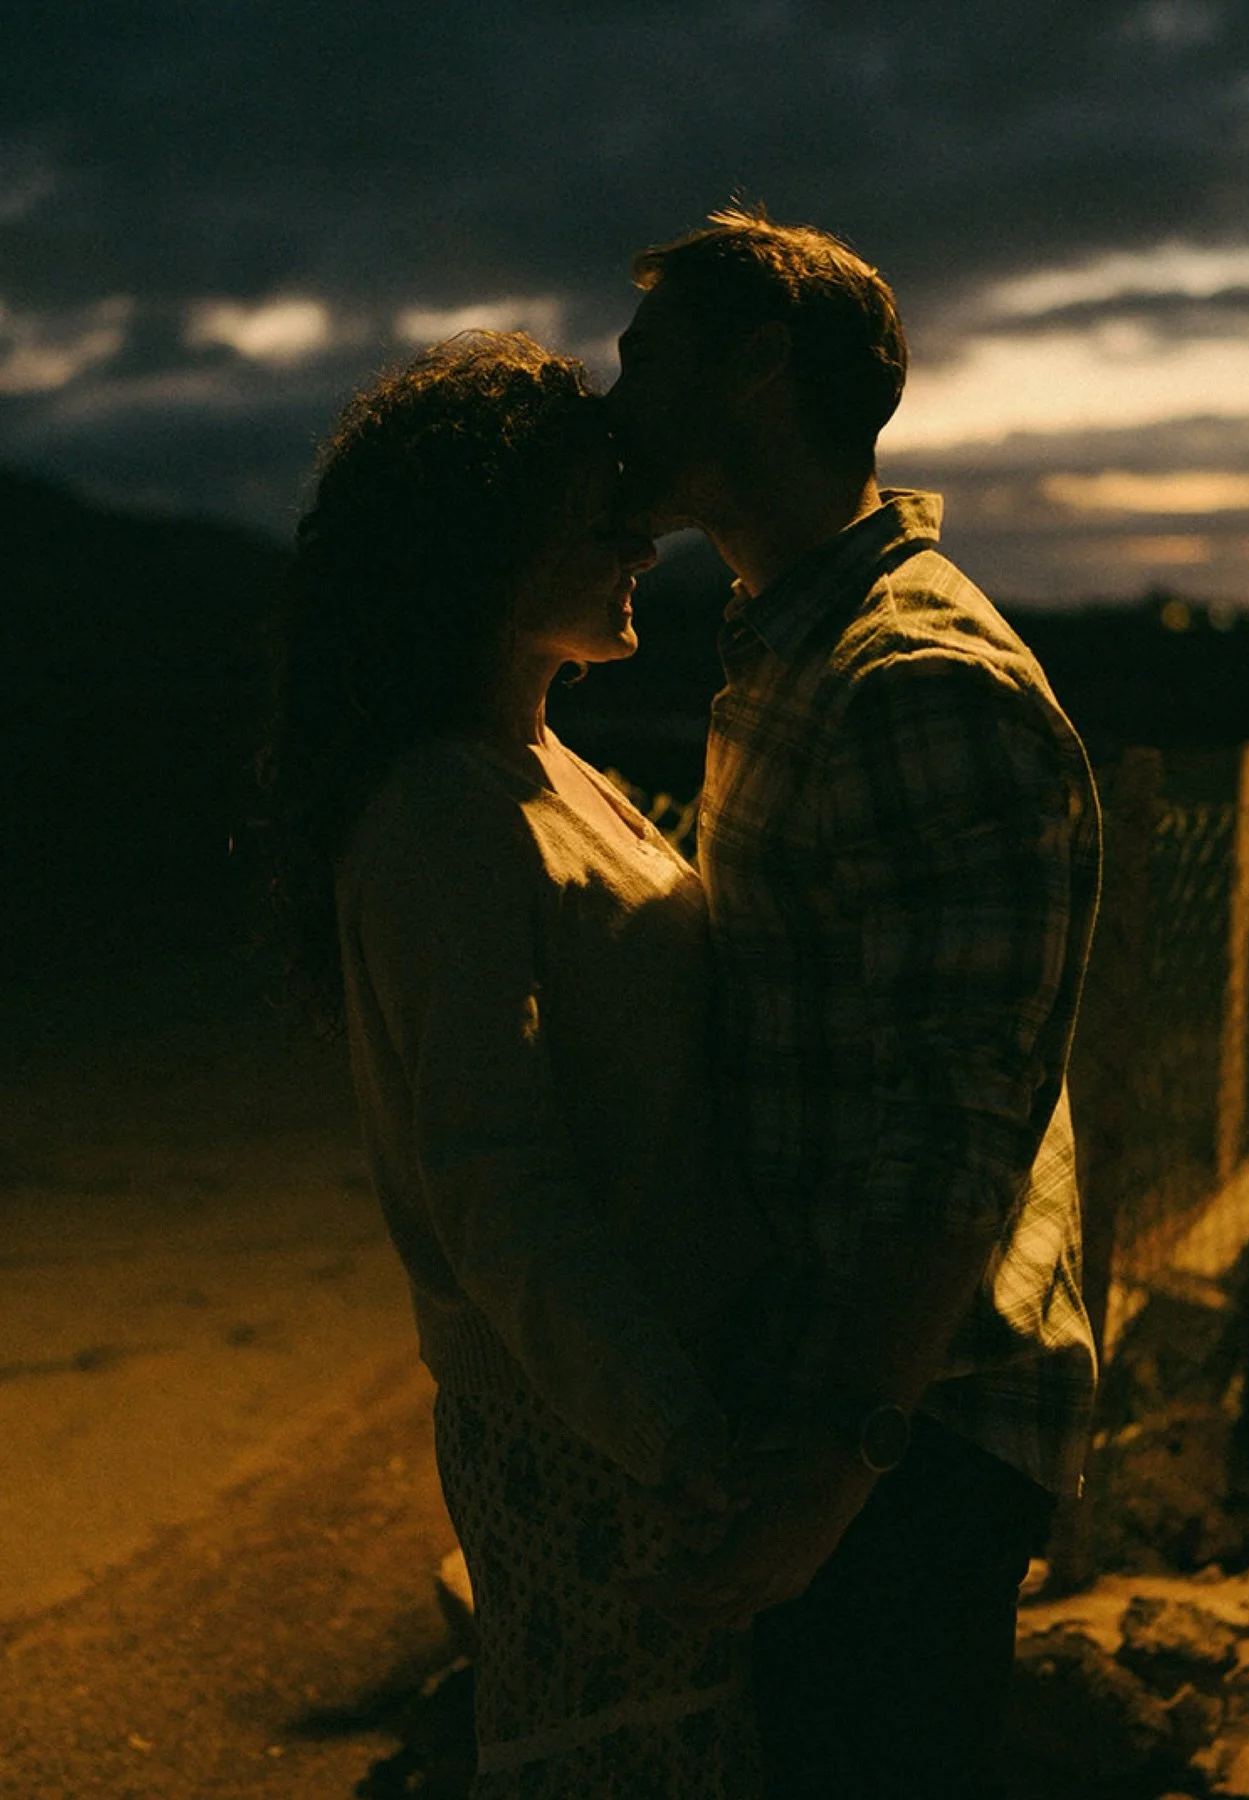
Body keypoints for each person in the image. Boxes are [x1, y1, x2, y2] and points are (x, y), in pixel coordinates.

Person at [607, 209, 1102, 1800]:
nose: (616, 402)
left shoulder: (916, 686)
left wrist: (839, 1460)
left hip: (910, 1432)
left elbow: (954, 1128)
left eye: (645, 362)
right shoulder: (793, 644)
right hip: (852, 1399)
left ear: (758, 369)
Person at [258, 330, 770, 1798]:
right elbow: (493, 1180)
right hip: (585, 1427)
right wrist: (672, 1430)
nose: (639, 545)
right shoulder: (440, 808)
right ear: (488, 549)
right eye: (596, 517)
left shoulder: (550, 766)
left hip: (648, 1392)